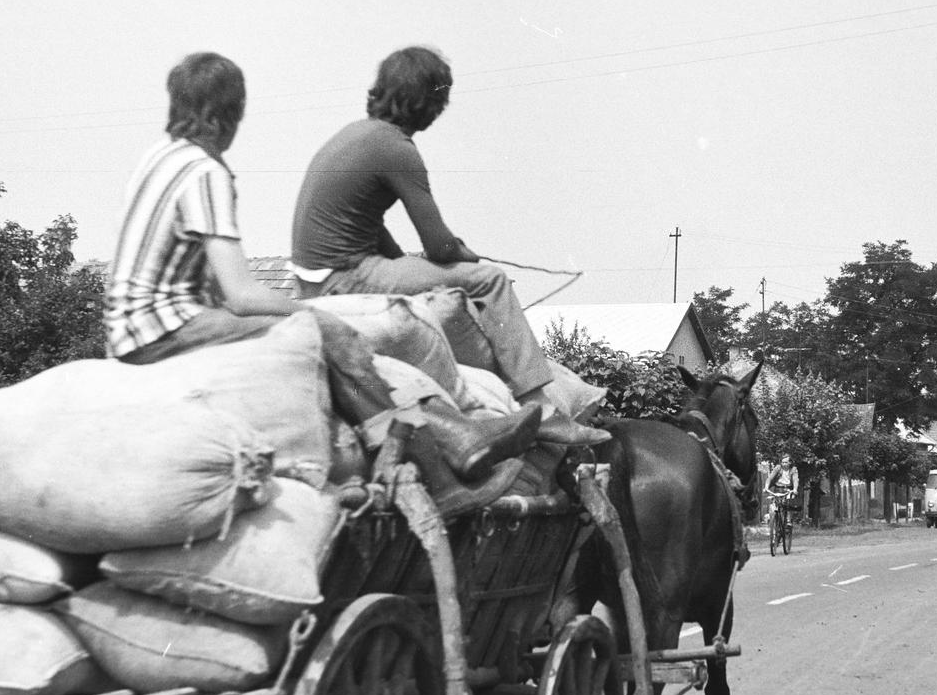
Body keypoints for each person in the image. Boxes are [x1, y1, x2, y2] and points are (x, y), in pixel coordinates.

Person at [104, 52, 542, 508]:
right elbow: (239, 293)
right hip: (166, 327)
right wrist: (314, 317)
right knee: (327, 331)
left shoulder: (158, 158)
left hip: (132, 327)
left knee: (314, 332)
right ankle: (443, 466)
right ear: (228, 114)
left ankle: (445, 442)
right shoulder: (205, 172)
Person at [289, 45, 608, 447]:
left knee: (440, 278)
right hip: (344, 277)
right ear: (427, 102)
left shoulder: (356, 135)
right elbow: (439, 246)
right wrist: (460, 253)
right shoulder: (396, 148)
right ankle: (542, 409)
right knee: (489, 280)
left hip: (316, 278)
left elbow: (366, 223)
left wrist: (407, 264)